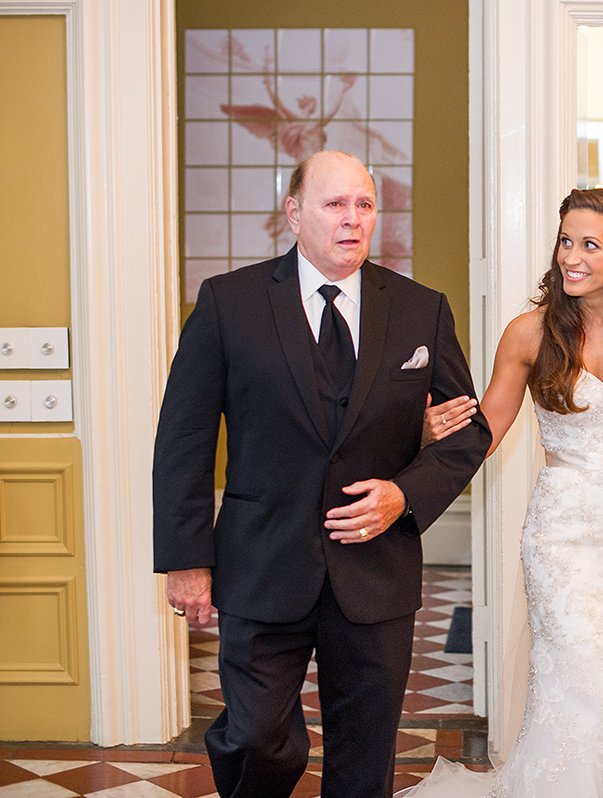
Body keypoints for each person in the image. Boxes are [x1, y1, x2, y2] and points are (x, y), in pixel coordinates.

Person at [153, 150, 491, 798]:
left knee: (366, 757)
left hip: (375, 570)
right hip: (260, 561)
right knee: (256, 736)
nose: (353, 219)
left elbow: (468, 429)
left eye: (365, 204)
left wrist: (403, 495)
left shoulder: (422, 310)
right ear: (293, 213)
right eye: (335, 204)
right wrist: (186, 559)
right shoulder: (230, 303)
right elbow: (185, 439)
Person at [404, 188, 603, 797]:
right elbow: (486, 432)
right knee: (584, 676)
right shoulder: (529, 332)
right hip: (564, 534)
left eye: (589, 244)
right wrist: (423, 435)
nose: (571, 256)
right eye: (565, 241)